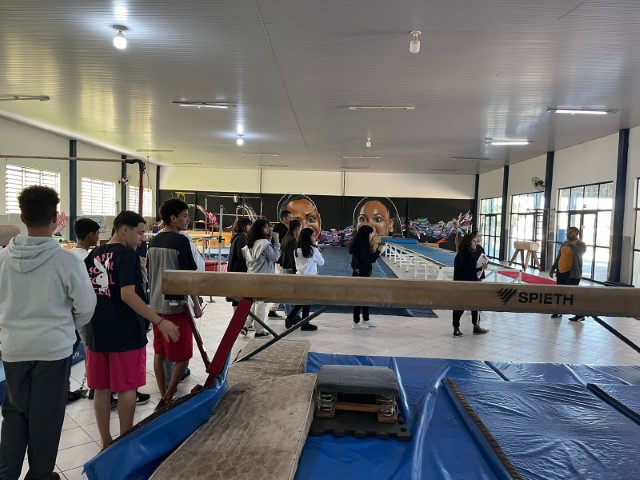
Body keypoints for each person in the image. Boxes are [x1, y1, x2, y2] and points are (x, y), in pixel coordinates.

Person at [0, 186, 96, 480]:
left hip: (14, 348)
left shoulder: (3, 259)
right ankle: (40, 474)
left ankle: (6, 474)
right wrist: (72, 328)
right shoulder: (66, 261)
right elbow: (86, 305)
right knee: (46, 417)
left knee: (15, 413)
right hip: (53, 350)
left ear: (23, 216)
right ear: (56, 218)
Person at [83, 211, 180, 449]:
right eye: (139, 232)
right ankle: (125, 441)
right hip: (124, 331)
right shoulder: (127, 255)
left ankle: (105, 441)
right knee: (127, 387)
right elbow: (127, 294)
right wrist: (159, 321)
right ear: (124, 229)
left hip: (96, 331)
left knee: (102, 388)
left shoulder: (93, 254)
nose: (141, 239)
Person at [147, 199, 203, 410]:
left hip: (156, 306)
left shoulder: (153, 241)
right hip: (175, 306)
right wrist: (196, 304)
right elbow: (187, 278)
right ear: (173, 218)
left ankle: (164, 395)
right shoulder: (180, 241)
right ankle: (168, 397)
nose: (188, 220)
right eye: (185, 216)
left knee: (160, 353)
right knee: (183, 357)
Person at [240, 218, 281, 337]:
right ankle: (259, 330)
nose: (268, 229)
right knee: (261, 304)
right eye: (266, 227)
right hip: (263, 279)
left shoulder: (249, 244)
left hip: (251, 277)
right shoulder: (264, 244)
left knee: (253, 303)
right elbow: (275, 257)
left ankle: (246, 325)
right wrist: (277, 242)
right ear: (259, 229)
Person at [452, 233, 489, 337]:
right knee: (467, 306)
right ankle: (469, 327)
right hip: (467, 285)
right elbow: (469, 272)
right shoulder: (467, 255)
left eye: (476, 241)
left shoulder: (462, 254)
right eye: (473, 241)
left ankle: (457, 328)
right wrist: (481, 269)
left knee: (462, 307)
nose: (475, 243)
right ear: (468, 242)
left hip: (462, 284)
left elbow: (467, 271)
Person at [349, 224, 384, 330]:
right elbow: (369, 260)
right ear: (366, 234)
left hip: (361, 273)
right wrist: (379, 251)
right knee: (358, 299)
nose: (372, 236)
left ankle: (366, 318)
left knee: (365, 298)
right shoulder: (363, 245)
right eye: (371, 234)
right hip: (361, 274)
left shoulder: (360, 244)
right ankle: (356, 322)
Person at [549, 226, 587, 321]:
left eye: (569, 233)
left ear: (575, 234)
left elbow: (580, 252)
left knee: (572, 295)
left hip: (572, 274)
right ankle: (558, 311)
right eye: (567, 232)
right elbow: (559, 256)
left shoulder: (581, 244)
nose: (567, 234)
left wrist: (570, 244)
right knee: (560, 294)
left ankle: (580, 314)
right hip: (561, 272)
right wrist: (553, 268)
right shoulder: (564, 244)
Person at [290, 227, 324, 331]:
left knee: (303, 301)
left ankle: (297, 319)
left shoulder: (296, 250)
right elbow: (322, 262)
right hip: (310, 279)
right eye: (313, 235)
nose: (315, 237)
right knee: (306, 302)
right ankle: (300, 321)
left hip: (299, 278)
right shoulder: (313, 250)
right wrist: (318, 250)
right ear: (308, 237)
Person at [226, 218, 253, 311]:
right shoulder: (242, 238)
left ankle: (238, 322)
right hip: (239, 270)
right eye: (249, 225)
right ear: (243, 226)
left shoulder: (237, 237)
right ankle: (239, 322)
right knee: (239, 299)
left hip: (235, 270)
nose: (251, 227)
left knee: (237, 299)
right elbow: (242, 255)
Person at [279, 218, 301, 327]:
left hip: (284, 267)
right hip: (290, 268)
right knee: (297, 294)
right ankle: (293, 315)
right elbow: (293, 257)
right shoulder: (292, 239)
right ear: (297, 228)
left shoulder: (285, 238)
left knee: (286, 294)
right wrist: (296, 270)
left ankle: (289, 313)